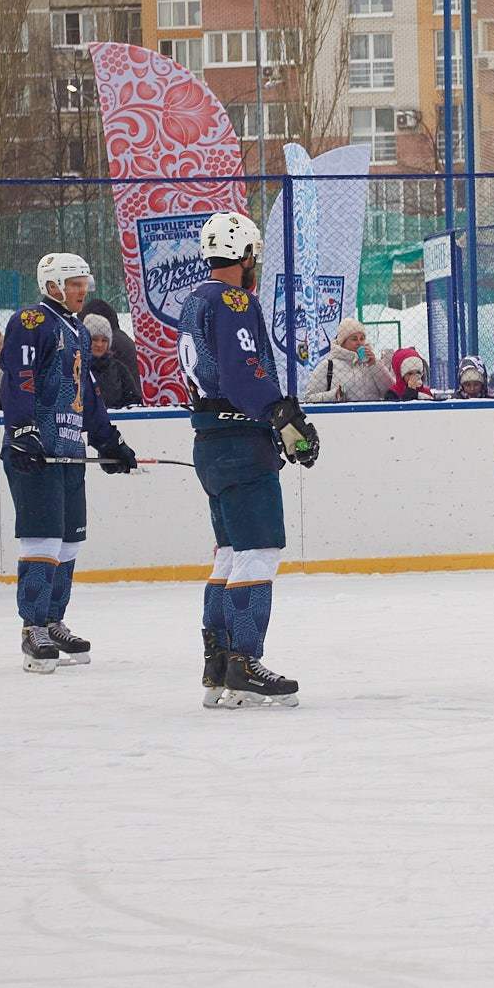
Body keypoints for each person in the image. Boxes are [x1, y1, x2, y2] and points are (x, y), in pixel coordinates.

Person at [176, 211, 320, 706]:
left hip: (210, 444)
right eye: (253, 254)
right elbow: (241, 374)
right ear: (243, 255)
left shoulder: (194, 300)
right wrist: (281, 414)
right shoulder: (234, 299)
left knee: (230, 554)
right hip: (240, 443)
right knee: (258, 551)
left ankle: (217, 663)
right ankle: (244, 661)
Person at [0, 253, 138, 675]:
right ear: (53, 284)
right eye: (74, 283)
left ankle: (53, 620)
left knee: (69, 542)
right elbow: (18, 377)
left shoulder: (77, 330)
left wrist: (109, 440)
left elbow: (87, 394)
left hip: (70, 452)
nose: (82, 291)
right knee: (41, 539)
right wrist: (22, 430)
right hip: (36, 451)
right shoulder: (31, 322)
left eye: (84, 283)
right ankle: (32, 626)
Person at [304, 317, 389, 402]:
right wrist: (333, 395)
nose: (359, 342)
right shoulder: (327, 366)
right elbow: (309, 399)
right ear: (343, 342)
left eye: (362, 338)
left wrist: (375, 365)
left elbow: (390, 393)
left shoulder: (372, 364)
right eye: (354, 339)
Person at [86, 314, 144, 409]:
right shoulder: (76, 367)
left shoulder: (119, 368)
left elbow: (134, 399)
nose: (99, 344)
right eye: (94, 339)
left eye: (104, 340)